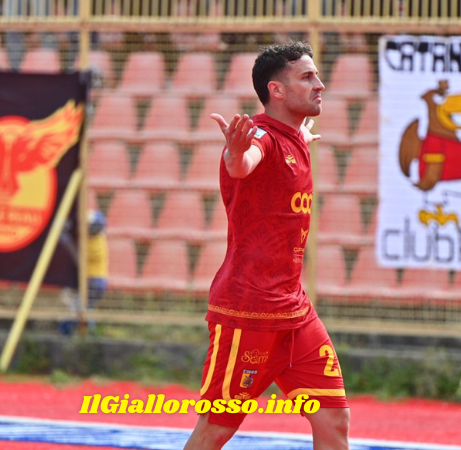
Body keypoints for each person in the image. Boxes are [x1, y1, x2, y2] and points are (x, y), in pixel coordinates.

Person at [183, 41, 350, 450]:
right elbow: (244, 163)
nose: (320, 84)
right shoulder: (260, 137)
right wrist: (236, 155)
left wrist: (298, 136)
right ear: (276, 90)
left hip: (295, 311)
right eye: (307, 77)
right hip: (248, 312)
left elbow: (280, 144)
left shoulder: (291, 136)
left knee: (333, 418)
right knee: (216, 429)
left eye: (317, 75)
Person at [58, 209, 108, 335]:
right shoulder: (99, 236)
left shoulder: (93, 245)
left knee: (79, 312)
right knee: (85, 309)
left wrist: (66, 240)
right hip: (94, 281)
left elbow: (78, 257)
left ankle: (81, 334)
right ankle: (87, 334)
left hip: (92, 282)